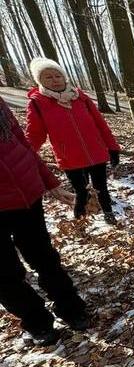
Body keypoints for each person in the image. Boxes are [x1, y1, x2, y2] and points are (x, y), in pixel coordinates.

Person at [1, 96, 90, 346]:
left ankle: (71, 308)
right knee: (5, 273)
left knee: (44, 257)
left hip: (26, 193)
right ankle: (37, 322)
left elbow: (22, 143)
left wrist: (50, 183)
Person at [25, 57, 121, 225]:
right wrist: (24, 155)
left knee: (101, 188)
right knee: (81, 192)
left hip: (96, 153)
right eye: (48, 77)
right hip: (70, 158)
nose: (54, 80)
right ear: (40, 80)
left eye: (57, 75)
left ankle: (108, 213)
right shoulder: (37, 104)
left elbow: (100, 124)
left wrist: (112, 147)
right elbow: (35, 135)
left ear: (64, 77)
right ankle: (80, 221)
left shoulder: (80, 97)